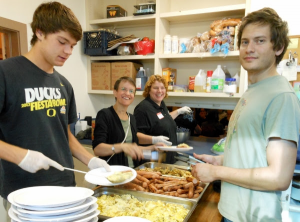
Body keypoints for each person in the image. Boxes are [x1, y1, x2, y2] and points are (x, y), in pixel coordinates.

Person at [0, 1, 110, 213]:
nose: (68, 51)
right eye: (62, 42)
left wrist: (92, 160)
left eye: (72, 45)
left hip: (65, 189)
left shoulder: (64, 84)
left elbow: (65, 135)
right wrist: (20, 156)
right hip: (24, 195)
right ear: (40, 32)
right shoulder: (5, 74)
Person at [191, 7, 300, 222]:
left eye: (260, 41)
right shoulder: (252, 91)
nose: (249, 48)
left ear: (278, 47)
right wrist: (220, 160)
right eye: (245, 42)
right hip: (233, 211)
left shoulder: (281, 97)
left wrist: (216, 174)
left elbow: (278, 177)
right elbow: (254, 154)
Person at [93, 77, 159, 167]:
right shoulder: (105, 114)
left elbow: (133, 148)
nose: (127, 93)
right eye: (123, 89)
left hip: (131, 172)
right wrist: (122, 147)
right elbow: (97, 149)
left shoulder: (131, 118)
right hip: (113, 174)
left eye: (131, 91)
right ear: (115, 92)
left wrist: (153, 147)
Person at [133, 75, 192, 164]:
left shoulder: (160, 104)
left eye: (162, 88)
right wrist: (154, 139)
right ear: (149, 90)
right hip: (152, 160)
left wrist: (178, 111)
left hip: (167, 157)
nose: (160, 91)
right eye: (155, 88)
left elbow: (163, 120)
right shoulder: (142, 109)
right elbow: (135, 136)